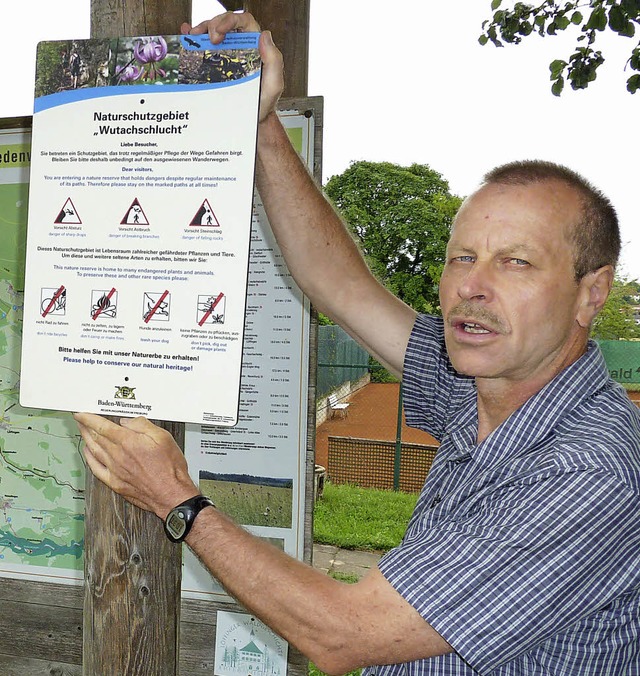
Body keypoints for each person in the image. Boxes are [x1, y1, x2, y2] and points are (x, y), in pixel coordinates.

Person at [74, 12, 640, 676]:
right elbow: (338, 284)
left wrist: (177, 500)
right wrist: (261, 125)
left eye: (516, 263)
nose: (472, 288)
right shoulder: (481, 386)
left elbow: (346, 633)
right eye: (463, 258)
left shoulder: (587, 471)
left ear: (590, 294)